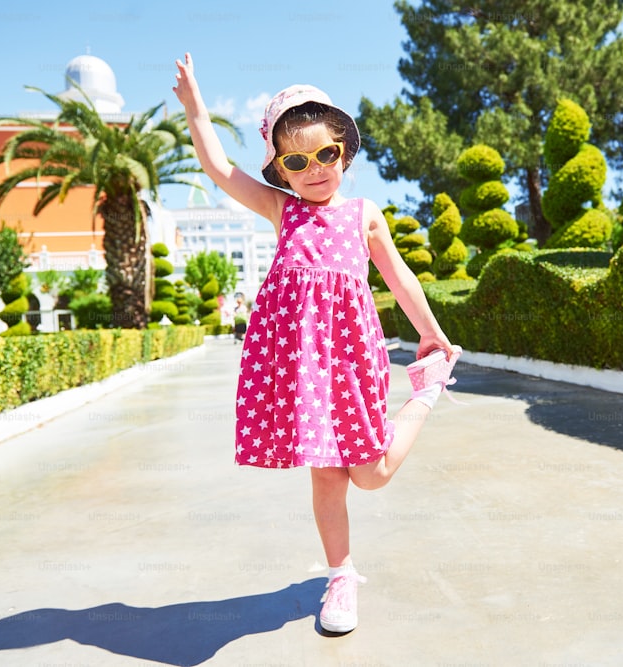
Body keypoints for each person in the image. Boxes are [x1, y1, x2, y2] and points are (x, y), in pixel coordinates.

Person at [173, 53, 462, 634]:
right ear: (280, 167)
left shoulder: (363, 214)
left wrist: (431, 334)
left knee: (373, 474)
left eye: (325, 154)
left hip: (352, 362)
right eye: (296, 160)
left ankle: (426, 395)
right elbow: (217, 166)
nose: (314, 169)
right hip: (301, 368)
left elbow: (400, 278)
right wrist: (196, 108)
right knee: (328, 478)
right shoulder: (282, 210)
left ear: (344, 152)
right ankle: (340, 578)